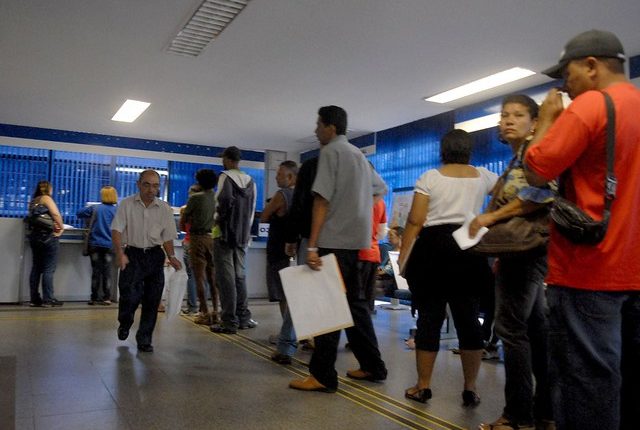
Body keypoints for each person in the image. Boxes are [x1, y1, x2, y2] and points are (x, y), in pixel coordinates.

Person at [524, 29, 640, 430]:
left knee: (586, 385)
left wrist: (546, 120)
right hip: (634, 270)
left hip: (589, 270)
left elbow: (537, 170)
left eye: (566, 73)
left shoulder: (592, 104)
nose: (564, 84)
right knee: (627, 383)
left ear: (591, 66)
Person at [469, 95, 555, 430]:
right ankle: (546, 411)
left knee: (511, 330)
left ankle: (518, 416)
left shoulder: (534, 153)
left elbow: (538, 195)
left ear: (535, 123)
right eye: (505, 115)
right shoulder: (520, 156)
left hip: (525, 251)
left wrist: (491, 217)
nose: (508, 120)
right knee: (535, 330)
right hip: (526, 251)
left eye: (518, 115)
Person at [289, 105, 388, 393]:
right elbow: (379, 189)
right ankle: (373, 366)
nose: (315, 130)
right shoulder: (358, 154)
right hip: (356, 244)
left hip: (332, 241)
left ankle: (322, 375)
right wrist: (355, 213)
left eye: (318, 125)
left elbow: (321, 200)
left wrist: (313, 245)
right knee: (355, 306)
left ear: (331, 128)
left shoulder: (331, 152)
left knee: (327, 308)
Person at [399, 129, 497, 406]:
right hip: (469, 247)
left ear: (443, 150)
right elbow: (508, 194)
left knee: (429, 318)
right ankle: (470, 389)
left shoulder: (430, 177)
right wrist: (487, 218)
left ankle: (423, 386)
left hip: (433, 250)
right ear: (469, 150)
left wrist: (404, 257)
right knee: (469, 320)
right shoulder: (484, 175)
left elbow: (416, 220)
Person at [111, 169, 182, 353]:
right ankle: (125, 322)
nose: (151, 190)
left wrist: (172, 256)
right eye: (147, 185)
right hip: (132, 255)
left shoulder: (164, 208)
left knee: (152, 300)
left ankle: (144, 339)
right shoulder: (127, 204)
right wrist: (120, 253)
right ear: (138, 185)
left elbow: (167, 236)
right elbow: (117, 230)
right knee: (129, 296)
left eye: (155, 186)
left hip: (154, 256)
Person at [271, 156, 319, 364]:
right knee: (327, 295)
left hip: (310, 241)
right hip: (339, 242)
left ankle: (286, 346)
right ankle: (318, 343)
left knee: (300, 293)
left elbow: (299, 208)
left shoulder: (311, 168)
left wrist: (291, 239)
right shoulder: (350, 166)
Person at [210, 146, 258, 334]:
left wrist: (217, 221)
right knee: (240, 276)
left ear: (229, 160)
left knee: (225, 278)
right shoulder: (251, 181)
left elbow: (223, 201)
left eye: (223, 159)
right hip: (242, 236)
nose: (222, 162)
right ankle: (243, 317)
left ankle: (229, 321)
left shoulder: (225, 176)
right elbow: (252, 210)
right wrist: (246, 233)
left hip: (223, 234)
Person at [260, 161, 297, 343]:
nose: (276, 178)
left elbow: (264, 216)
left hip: (278, 249)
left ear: (290, 176)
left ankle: (287, 334)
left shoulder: (281, 195)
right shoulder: (302, 195)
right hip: (295, 248)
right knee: (292, 292)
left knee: (282, 293)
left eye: (279, 174)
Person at [180, 169, 218, 325]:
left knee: (199, 277)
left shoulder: (195, 198)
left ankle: (204, 312)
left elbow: (183, 223)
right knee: (212, 277)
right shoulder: (217, 198)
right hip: (212, 238)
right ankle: (216, 311)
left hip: (197, 239)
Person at [77, 186, 118, 305]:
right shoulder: (117, 210)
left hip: (95, 244)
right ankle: (107, 297)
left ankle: (94, 297)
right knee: (107, 272)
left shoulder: (95, 208)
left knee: (96, 271)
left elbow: (79, 213)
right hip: (109, 245)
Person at [27, 180, 64, 307]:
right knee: (48, 269)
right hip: (48, 237)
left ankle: (34, 299)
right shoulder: (46, 198)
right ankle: (48, 299)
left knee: (36, 268)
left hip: (34, 237)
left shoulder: (33, 201)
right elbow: (55, 214)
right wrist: (61, 227)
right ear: (49, 189)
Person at [359, 197, 387, 313]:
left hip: (358, 253)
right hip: (374, 253)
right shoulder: (381, 202)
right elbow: (381, 233)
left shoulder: (358, 197)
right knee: (369, 296)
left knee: (356, 297)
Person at [179, 184, 203, 315]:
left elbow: (182, 227)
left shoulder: (186, 210)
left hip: (189, 243)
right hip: (203, 244)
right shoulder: (207, 209)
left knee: (191, 277)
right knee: (203, 277)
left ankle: (192, 307)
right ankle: (203, 308)